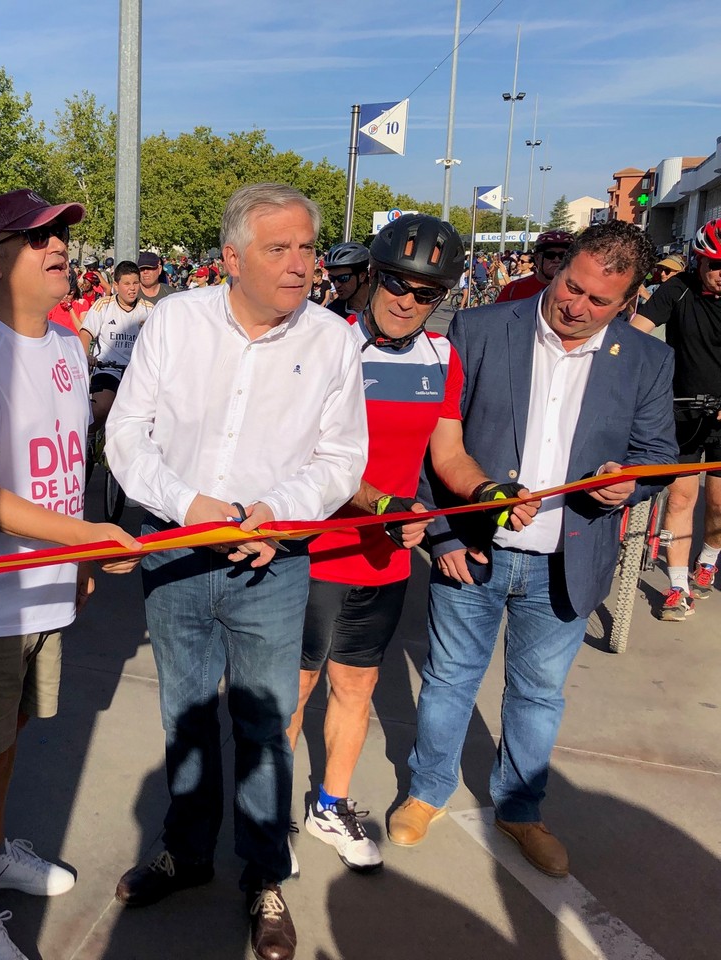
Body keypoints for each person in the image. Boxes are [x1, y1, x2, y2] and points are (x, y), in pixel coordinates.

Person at [106, 183, 368, 960]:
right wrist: (189, 507)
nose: (300, 265)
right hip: (176, 553)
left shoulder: (330, 341)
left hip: (272, 562)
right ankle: (186, 855)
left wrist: (273, 514)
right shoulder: (174, 322)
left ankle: (263, 876)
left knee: (262, 728)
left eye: (308, 249)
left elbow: (340, 458)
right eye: (278, 249)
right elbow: (127, 434)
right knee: (184, 715)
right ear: (231, 258)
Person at [390, 220, 677, 879]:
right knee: (448, 680)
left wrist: (629, 486)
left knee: (539, 693)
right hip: (473, 549)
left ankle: (520, 810)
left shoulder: (646, 362)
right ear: (561, 266)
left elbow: (658, 458)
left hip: (568, 560)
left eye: (597, 301)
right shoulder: (483, 329)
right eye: (570, 285)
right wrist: (439, 534)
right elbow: (435, 445)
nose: (574, 305)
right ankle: (427, 790)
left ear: (628, 301)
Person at [0, 188, 142, 960]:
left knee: (8, 741)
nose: (60, 248)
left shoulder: (66, 347)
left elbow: (70, 462)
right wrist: (86, 538)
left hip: (44, 587)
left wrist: (75, 557)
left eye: (62, 237)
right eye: (38, 236)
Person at [286, 215, 537, 875]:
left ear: (443, 297)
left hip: (389, 555)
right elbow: (305, 456)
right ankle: (269, 816)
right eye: (396, 282)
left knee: (358, 685)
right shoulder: (325, 344)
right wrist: (384, 503)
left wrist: (487, 491)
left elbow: (447, 452)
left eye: (425, 292)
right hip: (318, 550)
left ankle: (330, 803)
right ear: (370, 276)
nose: (406, 300)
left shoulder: (441, 358)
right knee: (295, 689)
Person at [632, 219, 721, 619]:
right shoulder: (678, 288)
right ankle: (677, 587)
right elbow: (637, 332)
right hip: (682, 410)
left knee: (718, 506)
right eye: (717, 266)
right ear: (700, 260)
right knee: (681, 498)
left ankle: (709, 556)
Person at [78, 260, 152, 430]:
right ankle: (86, 440)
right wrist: (85, 356)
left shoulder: (149, 309)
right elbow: (85, 334)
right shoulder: (104, 305)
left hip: (136, 373)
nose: (132, 288)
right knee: (102, 407)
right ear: (116, 285)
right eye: (126, 284)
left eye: (135, 283)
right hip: (107, 369)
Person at [496, 230, 575, 303]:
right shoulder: (514, 289)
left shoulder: (580, 292)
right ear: (537, 258)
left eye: (563, 255)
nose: (557, 260)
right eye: (550, 255)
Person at [323, 241, 371, 318]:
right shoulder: (332, 314)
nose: (336, 285)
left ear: (362, 276)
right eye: (332, 278)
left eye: (343, 278)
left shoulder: (382, 307)